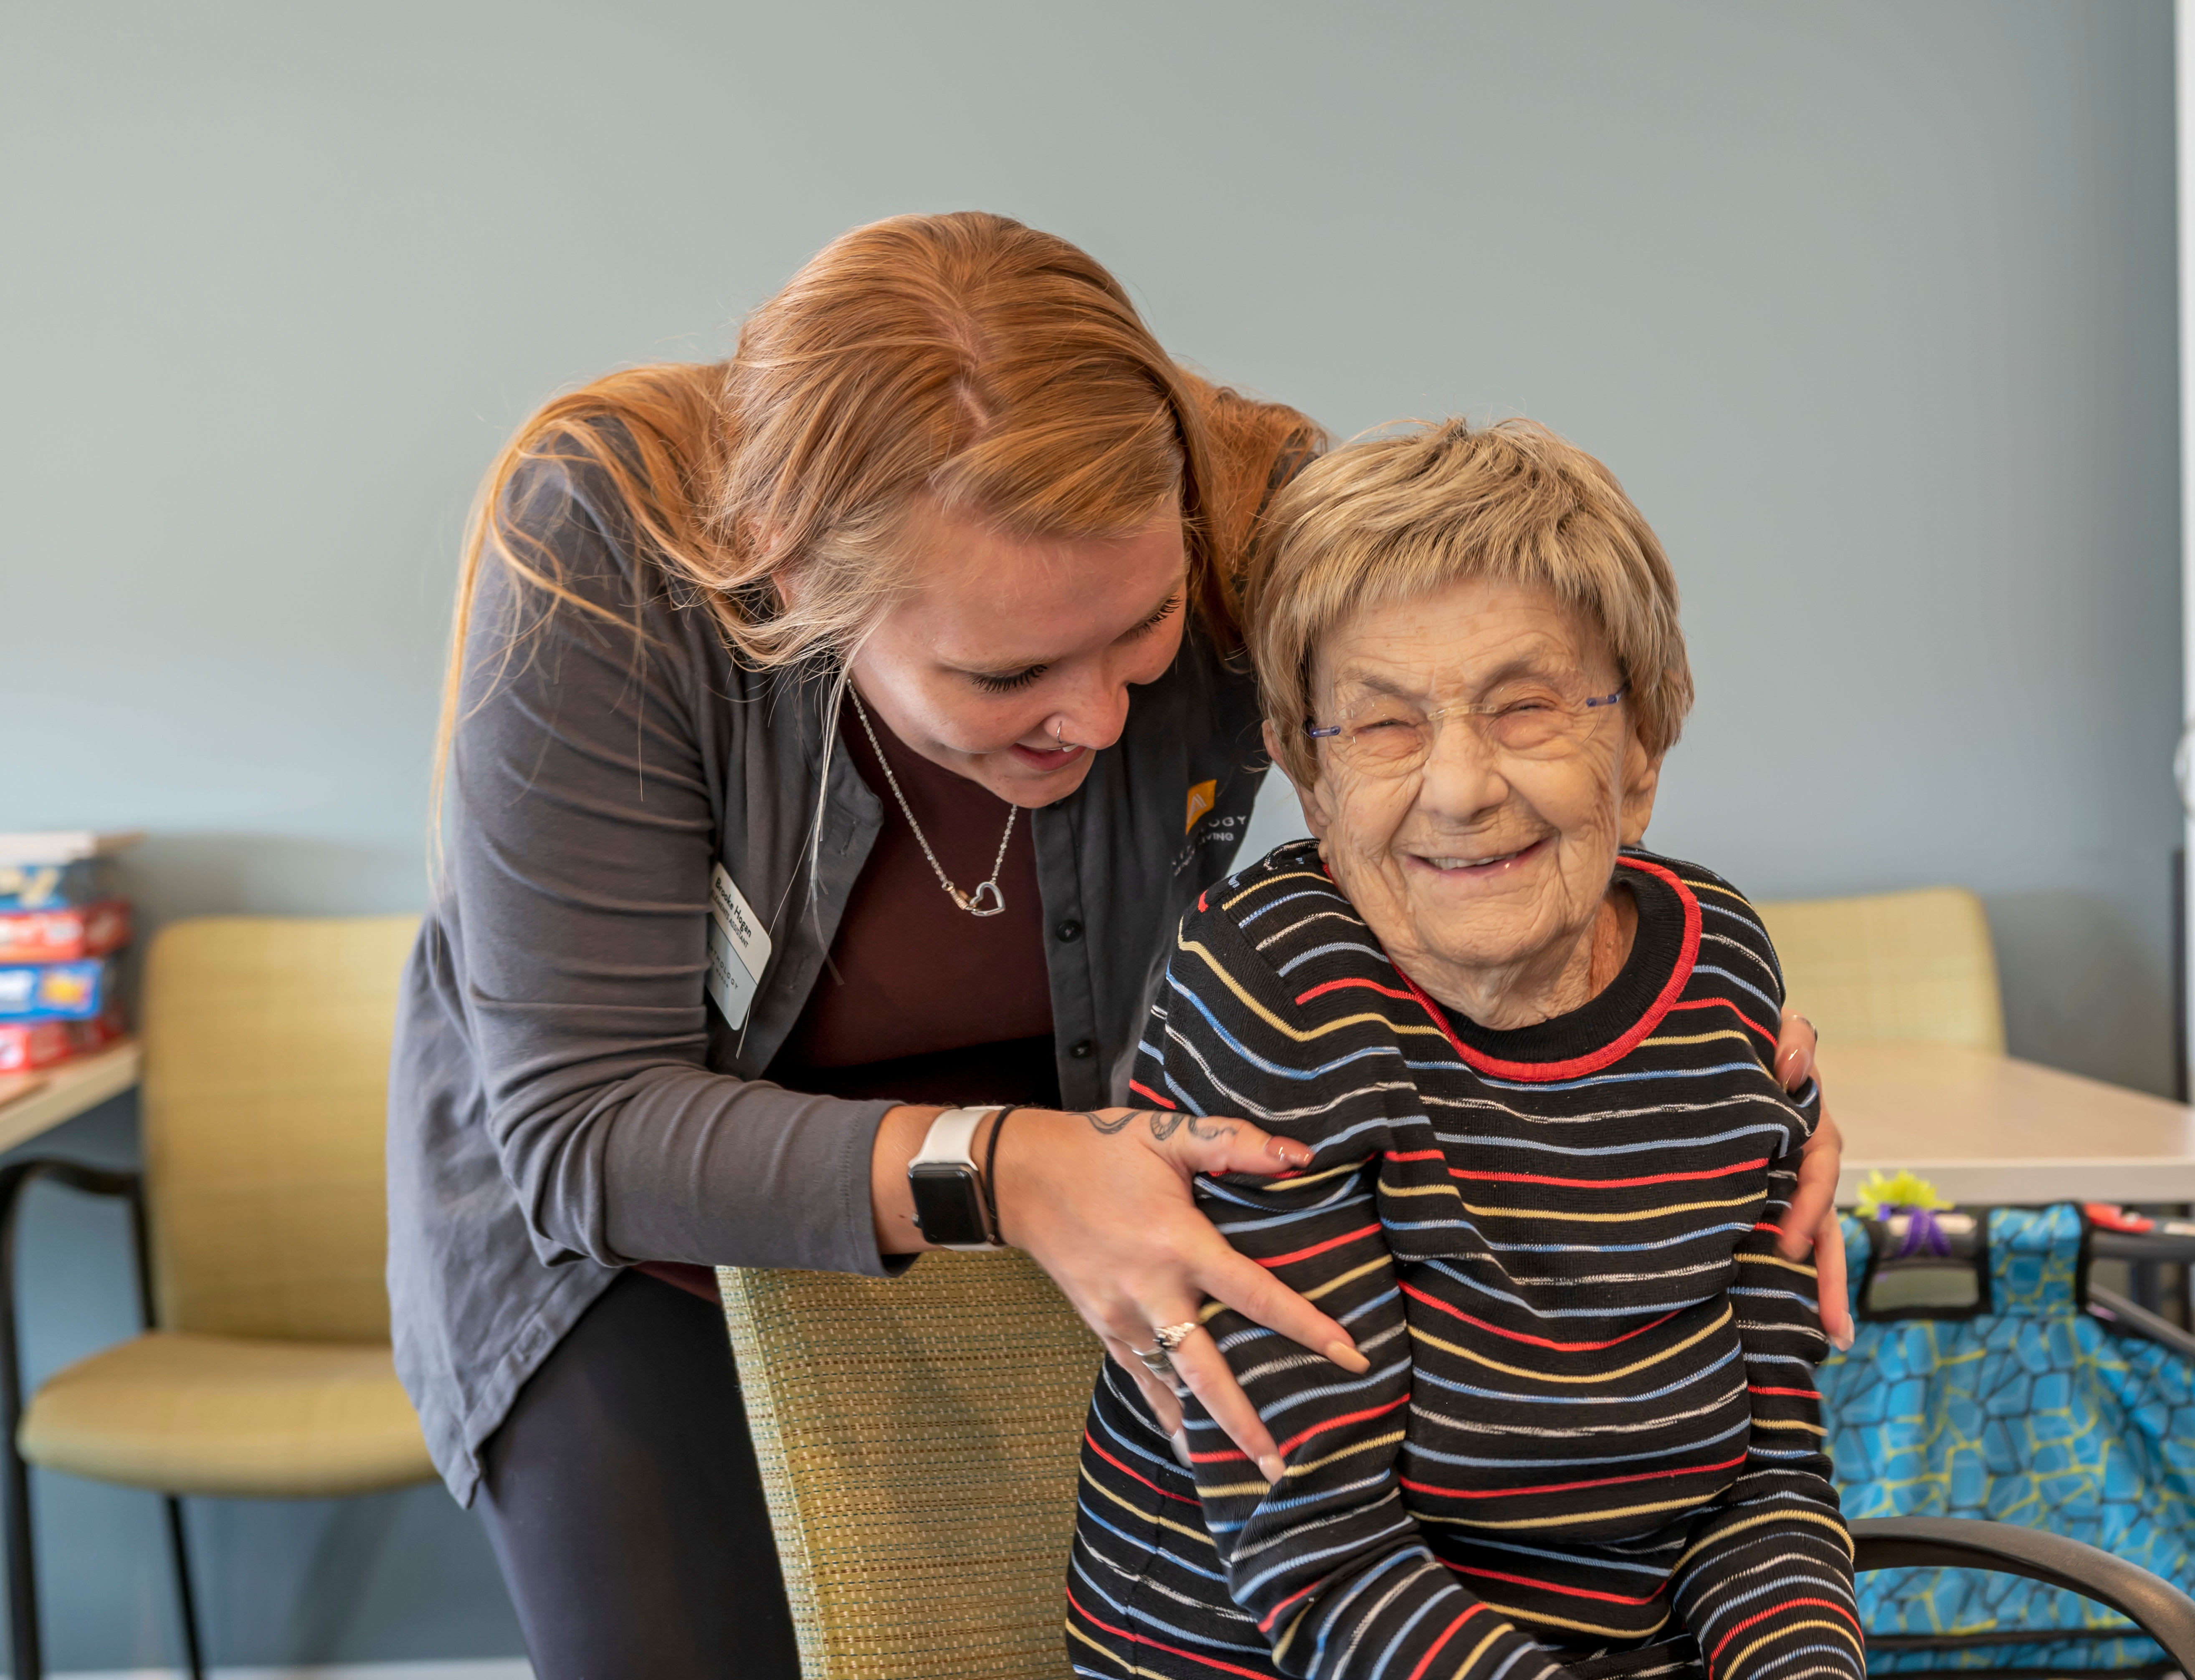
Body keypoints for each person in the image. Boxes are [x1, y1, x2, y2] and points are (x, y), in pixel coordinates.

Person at [386, 212, 1848, 1677]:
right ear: (798, 585)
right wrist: (1011, 1169)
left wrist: (1718, 1066)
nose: (1096, 720)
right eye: (1006, 670)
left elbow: (1479, 779)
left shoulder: (1258, 503)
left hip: (1098, 1166)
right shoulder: (614, 540)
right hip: (645, 1214)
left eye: (1145, 628)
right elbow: (584, 1129)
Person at [1066, 420, 1863, 1680]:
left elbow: (1763, 1482)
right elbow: (1319, 1554)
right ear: (1309, 781)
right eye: (1382, 728)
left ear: (1641, 739)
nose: (1460, 787)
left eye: (1527, 707)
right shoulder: (1280, 993)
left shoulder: (1720, 970)